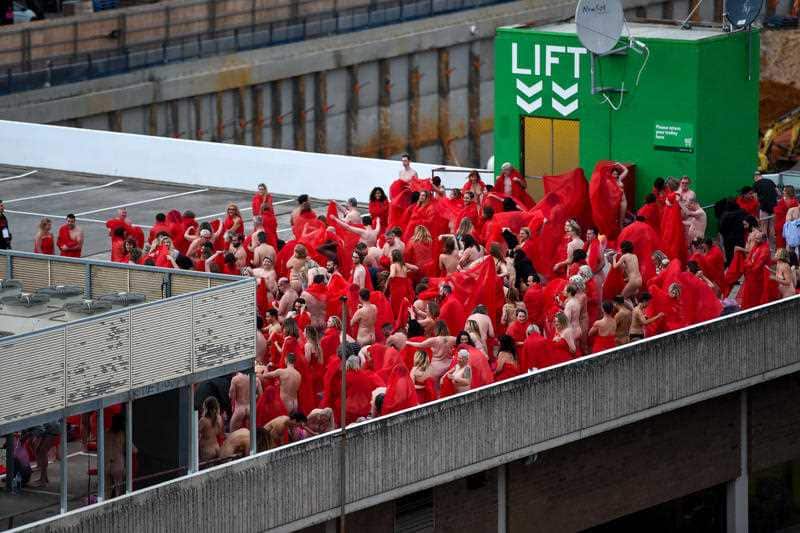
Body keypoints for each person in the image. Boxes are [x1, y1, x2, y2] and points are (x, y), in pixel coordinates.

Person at [198, 396, 224, 462]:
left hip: (207, 451)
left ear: (206, 408)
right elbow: (220, 433)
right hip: (217, 448)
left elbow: (194, 435)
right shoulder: (219, 418)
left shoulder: (203, 421)